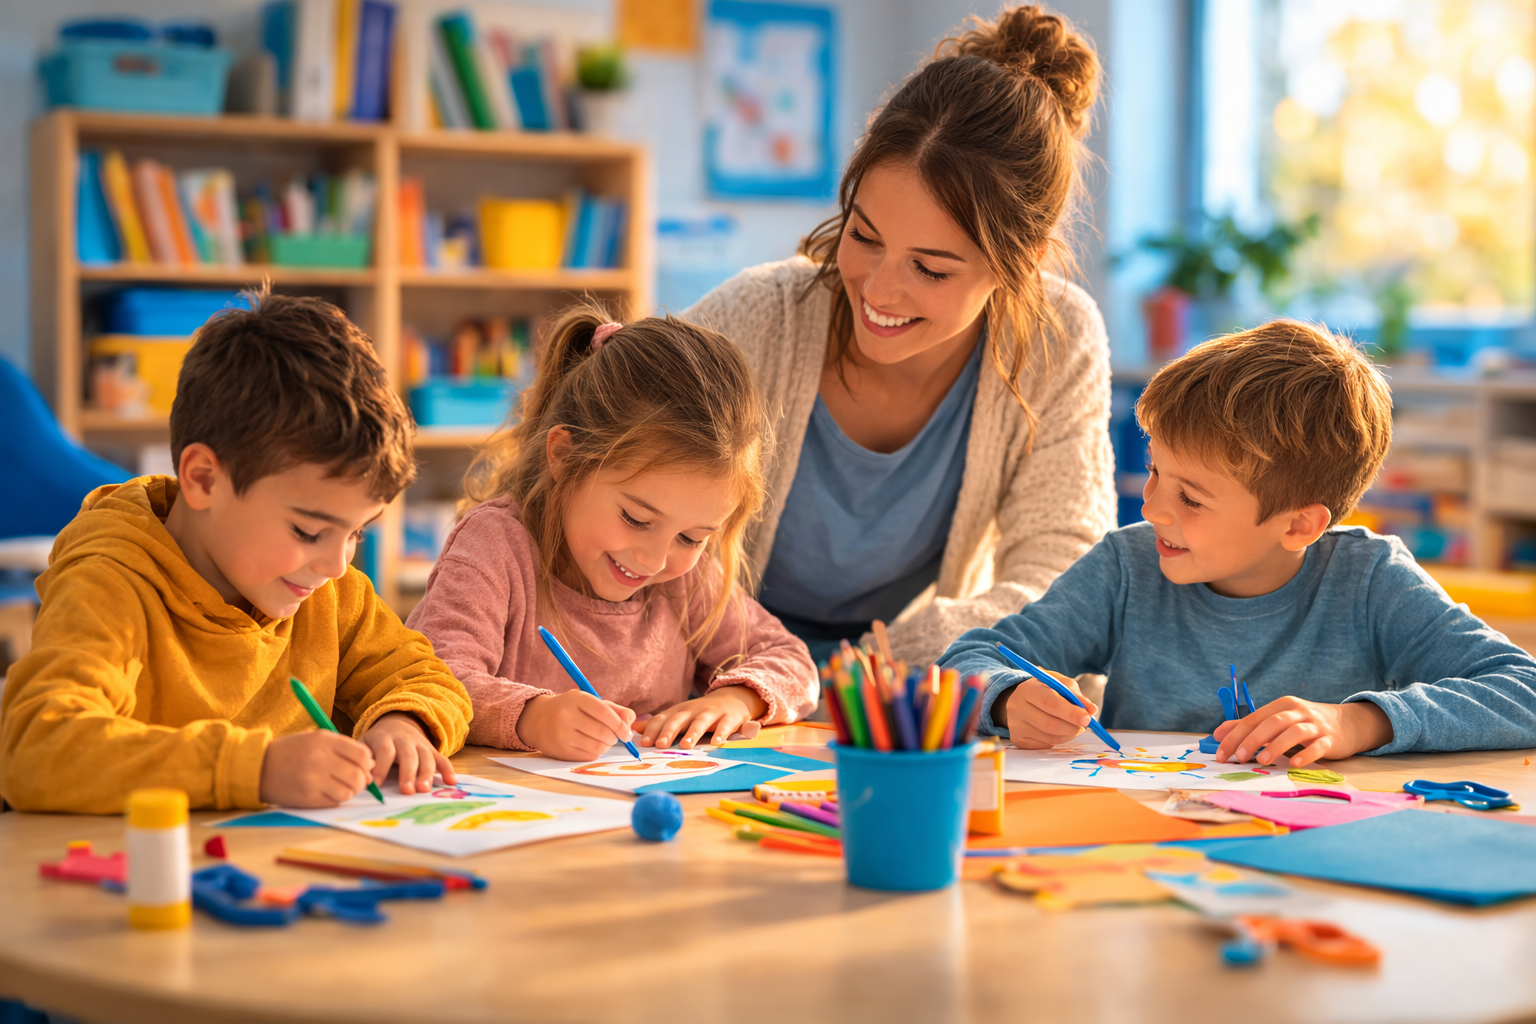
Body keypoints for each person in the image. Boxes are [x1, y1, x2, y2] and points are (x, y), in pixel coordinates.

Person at [684, 5, 1116, 667]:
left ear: (1019, 261)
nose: (879, 291)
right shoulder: (755, 318)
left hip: (893, 682)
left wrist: (892, 659)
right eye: (863, 236)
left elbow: (1065, 579)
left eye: (930, 267)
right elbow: (610, 511)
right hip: (713, 670)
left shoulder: (1060, 341)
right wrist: (770, 666)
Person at [938, 320, 1536, 766]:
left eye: (1191, 499)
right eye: (1152, 472)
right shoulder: (1128, 565)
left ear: (1300, 525)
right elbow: (965, 659)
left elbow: (1524, 691)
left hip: (1313, 853)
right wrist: (1007, 697)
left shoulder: (1371, 579)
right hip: (1141, 842)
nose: (1151, 508)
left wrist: (1358, 723)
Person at [0, 293, 472, 813]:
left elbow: (425, 675)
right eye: (307, 530)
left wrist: (404, 721)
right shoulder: (109, 583)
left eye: (357, 532)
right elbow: (37, 749)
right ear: (204, 479)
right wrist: (256, 769)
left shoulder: (326, 588)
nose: (338, 565)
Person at [406, 305, 818, 761]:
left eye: (693, 538)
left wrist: (735, 700)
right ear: (563, 457)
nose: (655, 560)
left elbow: (791, 659)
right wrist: (533, 716)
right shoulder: (495, 547)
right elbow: (433, 679)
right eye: (637, 519)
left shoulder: (685, 579)